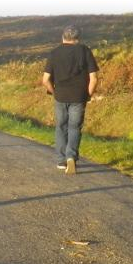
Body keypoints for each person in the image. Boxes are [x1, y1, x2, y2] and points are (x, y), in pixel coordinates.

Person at [42, 25, 99, 174]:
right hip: (79, 97)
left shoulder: (54, 53)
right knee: (75, 127)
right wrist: (88, 95)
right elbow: (94, 78)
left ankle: (61, 160)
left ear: (63, 37)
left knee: (61, 127)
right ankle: (71, 157)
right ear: (78, 38)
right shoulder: (85, 51)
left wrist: (54, 92)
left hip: (60, 96)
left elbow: (45, 80)